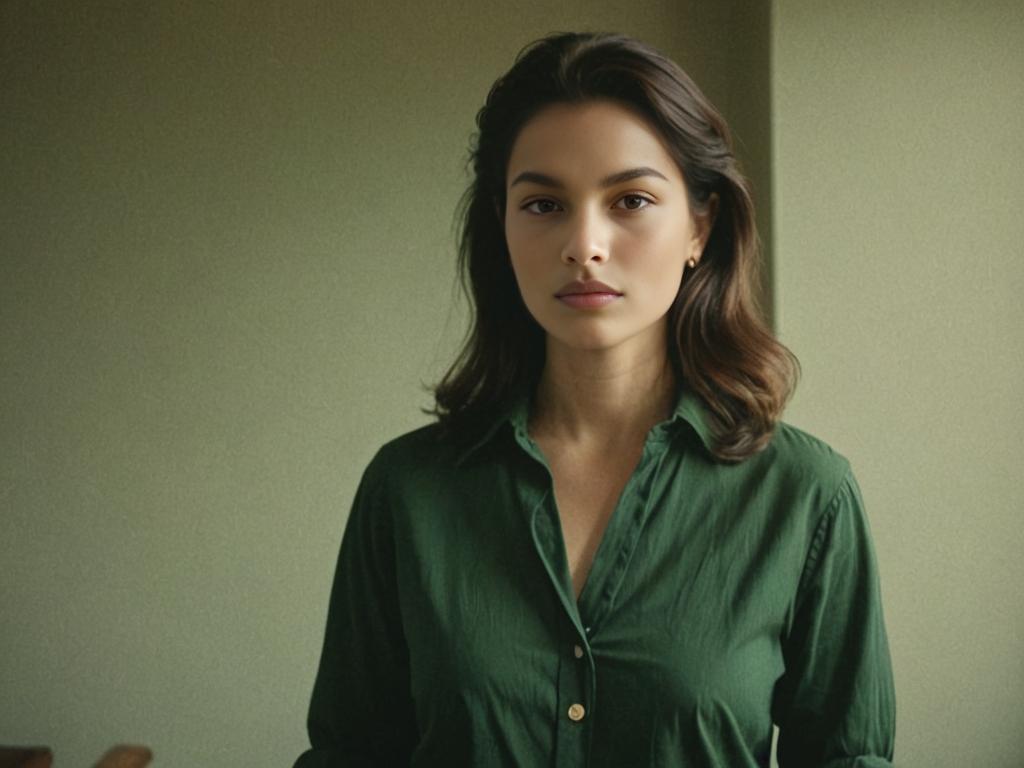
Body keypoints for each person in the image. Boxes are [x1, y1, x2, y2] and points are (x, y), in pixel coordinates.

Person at [294, 32, 896, 767]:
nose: (585, 243)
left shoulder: (805, 498)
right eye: (544, 204)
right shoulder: (408, 491)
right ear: (503, 226)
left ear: (700, 228)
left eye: (631, 200)